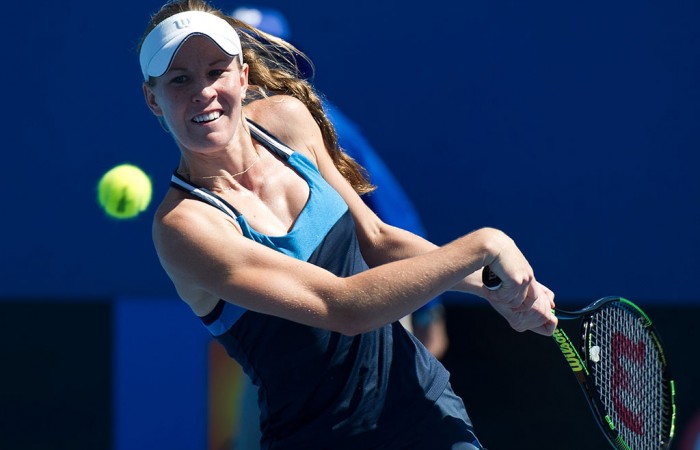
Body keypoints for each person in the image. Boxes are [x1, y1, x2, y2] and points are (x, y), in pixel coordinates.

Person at [138, 1, 557, 449]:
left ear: (242, 76)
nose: (203, 91)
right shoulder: (185, 228)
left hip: (425, 409)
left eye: (215, 70)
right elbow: (343, 308)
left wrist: (491, 284)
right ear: (154, 100)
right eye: (180, 80)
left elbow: (375, 239)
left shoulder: (286, 121)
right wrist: (484, 246)